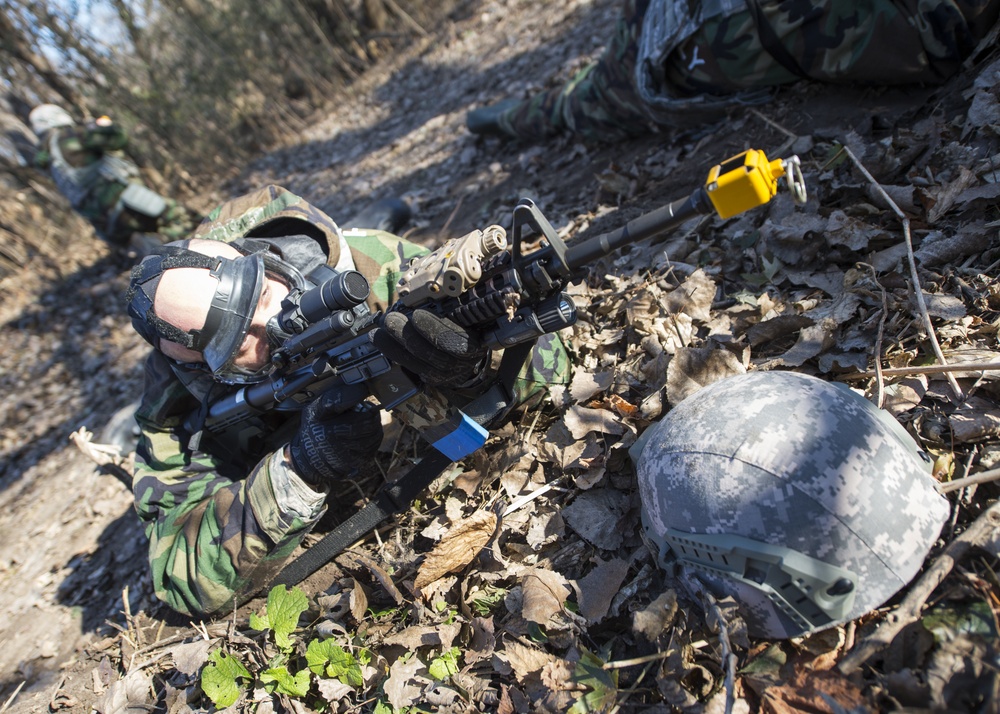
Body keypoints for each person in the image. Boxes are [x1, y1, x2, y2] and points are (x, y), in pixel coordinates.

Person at [123, 185, 570, 616]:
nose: (276, 325)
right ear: (206, 369)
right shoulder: (175, 400)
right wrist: (298, 469)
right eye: (240, 343)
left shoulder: (376, 268)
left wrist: (470, 373)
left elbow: (551, 367)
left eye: (262, 294)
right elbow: (180, 577)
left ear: (260, 258)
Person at [466, 0, 1000, 143]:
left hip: (665, 61)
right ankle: (487, 121)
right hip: (669, 44)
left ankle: (491, 120)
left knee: (574, 105)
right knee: (571, 103)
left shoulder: (934, 24)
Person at [29, 104, 201, 253]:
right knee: (184, 218)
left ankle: (161, 256)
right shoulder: (69, 136)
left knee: (151, 237)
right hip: (125, 202)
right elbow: (118, 138)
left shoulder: (44, 159)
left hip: (104, 222)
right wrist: (104, 126)